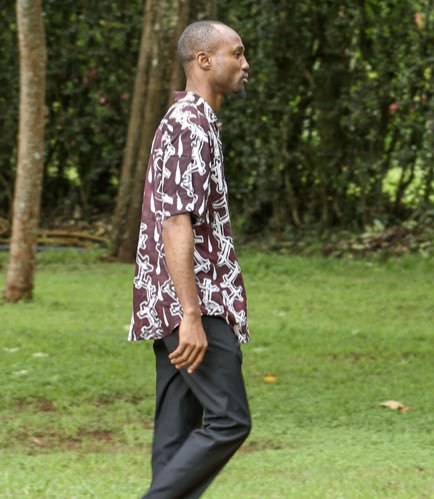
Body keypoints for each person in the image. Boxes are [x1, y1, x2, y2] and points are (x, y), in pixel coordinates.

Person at [128, 20, 253, 498]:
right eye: (236, 54)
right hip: (194, 302)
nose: (245, 64)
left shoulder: (195, 122)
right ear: (204, 61)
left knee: (176, 438)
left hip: (175, 304)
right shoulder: (188, 125)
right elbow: (175, 222)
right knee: (229, 421)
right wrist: (192, 316)